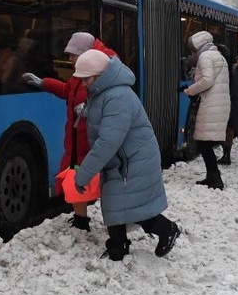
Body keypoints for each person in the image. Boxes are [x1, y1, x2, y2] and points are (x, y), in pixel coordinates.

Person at [72, 50, 181, 261]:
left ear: (99, 74)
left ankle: (167, 230)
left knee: (134, 207)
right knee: (117, 203)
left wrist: (84, 174)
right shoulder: (103, 92)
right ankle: (117, 247)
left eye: (86, 79)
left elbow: (108, 142)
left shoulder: (117, 96)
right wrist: (86, 112)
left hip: (132, 161)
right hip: (124, 159)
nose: (83, 84)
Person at [21, 32, 116, 231]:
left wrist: (90, 111)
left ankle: (117, 226)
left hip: (91, 142)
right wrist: (44, 83)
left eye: (73, 54)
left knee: (103, 184)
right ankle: (81, 219)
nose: (69, 59)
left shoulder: (101, 72)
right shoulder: (81, 73)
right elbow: (68, 91)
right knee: (75, 179)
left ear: (84, 53)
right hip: (76, 140)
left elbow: (111, 102)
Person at [182, 31, 230, 189]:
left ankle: (215, 178)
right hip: (218, 104)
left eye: (192, 50)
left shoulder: (205, 57)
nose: (192, 53)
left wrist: (190, 90)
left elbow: (207, 80)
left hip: (211, 104)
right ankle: (212, 176)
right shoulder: (218, 55)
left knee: (203, 144)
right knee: (205, 143)